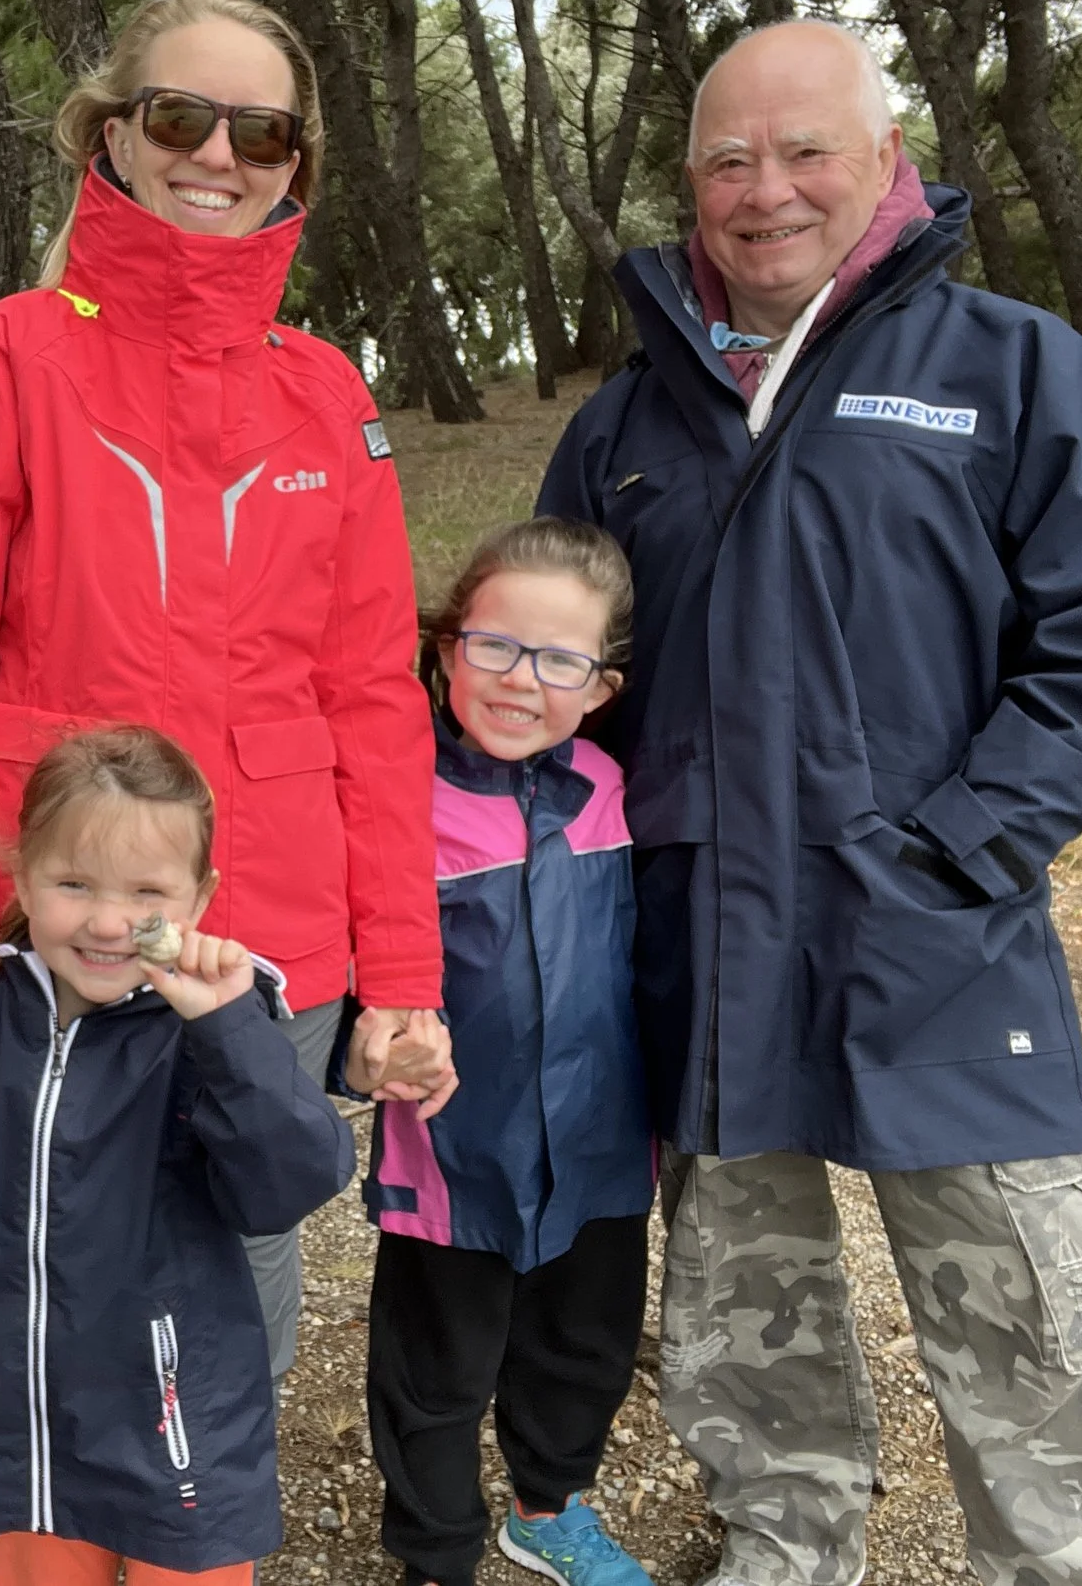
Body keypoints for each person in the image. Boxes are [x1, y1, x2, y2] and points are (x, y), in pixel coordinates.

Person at [540, 20, 1082, 1586]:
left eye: (805, 152)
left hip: (939, 937)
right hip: (705, 950)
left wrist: (968, 841)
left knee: (1036, 1317)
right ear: (691, 184)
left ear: (888, 160)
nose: (764, 189)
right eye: (728, 159)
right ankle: (785, 1545)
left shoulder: (1007, 369)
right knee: (741, 1312)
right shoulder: (623, 427)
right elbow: (558, 677)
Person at [0, 0, 452, 1378]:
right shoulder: (6, 358)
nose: (219, 155)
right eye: (182, 117)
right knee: (37, 1267)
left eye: (264, 132)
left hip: (274, 929)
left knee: (244, 1273)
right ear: (113, 134)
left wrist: (403, 974)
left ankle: (212, 1497)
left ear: (296, 164)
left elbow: (374, 701)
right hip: (53, 909)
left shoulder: (329, 396)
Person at [0, 726, 355, 1585]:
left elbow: (292, 1178)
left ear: (200, 897)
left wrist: (228, 1030)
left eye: (147, 892)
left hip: (178, 1418)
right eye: (74, 883)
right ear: (23, 878)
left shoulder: (213, 1034)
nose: (109, 921)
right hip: (25, 1421)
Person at [359, 518, 653, 1586]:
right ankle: (436, 1554)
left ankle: (548, 1508)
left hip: (599, 1150)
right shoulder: (393, 805)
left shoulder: (614, 792)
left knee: (583, 1347)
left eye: (560, 660)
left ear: (601, 688)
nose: (522, 680)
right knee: (433, 1371)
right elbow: (361, 991)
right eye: (495, 646)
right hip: (451, 1161)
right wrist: (368, 1060)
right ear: (446, 648)